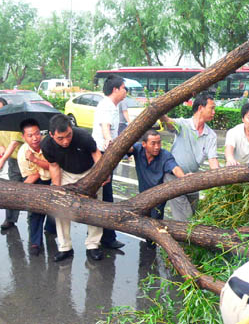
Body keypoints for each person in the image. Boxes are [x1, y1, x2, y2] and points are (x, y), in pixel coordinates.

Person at [41, 114, 105, 261]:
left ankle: (93, 244)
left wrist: (101, 174)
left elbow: (96, 153)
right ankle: (65, 247)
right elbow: (54, 166)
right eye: (60, 138)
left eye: (69, 135)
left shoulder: (82, 136)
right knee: (61, 209)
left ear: (71, 129)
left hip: (89, 172)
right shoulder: (46, 145)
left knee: (95, 209)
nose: (66, 141)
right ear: (51, 135)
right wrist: (56, 188)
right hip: (66, 174)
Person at [160, 91, 219, 221]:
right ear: (200, 108)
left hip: (193, 179)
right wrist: (159, 112)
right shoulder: (183, 125)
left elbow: (213, 160)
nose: (214, 112)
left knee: (195, 216)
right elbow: (169, 123)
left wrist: (220, 179)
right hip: (174, 177)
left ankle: (183, 239)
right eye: (212, 108)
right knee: (185, 218)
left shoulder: (211, 135)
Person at [91, 75, 127, 249]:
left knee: (106, 195)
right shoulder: (107, 105)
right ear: (116, 89)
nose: (125, 91)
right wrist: (108, 140)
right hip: (103, 153)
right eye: (124, 88)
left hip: (105, 152)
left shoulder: (113, 105)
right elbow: (105, 127)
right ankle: (104, 238)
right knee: (104, 196)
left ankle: (106, 236)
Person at [128, 130, 185, 221]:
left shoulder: (165, 155)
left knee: (155, 221)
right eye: (153, 144)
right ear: (144, 144)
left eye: (159, 143)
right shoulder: (138, 149)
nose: (157, 147)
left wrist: (184, 178)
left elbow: (175, 168)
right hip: (142, 195)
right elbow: (127, 148)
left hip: (158, 198)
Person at [17, 119, 51, 256]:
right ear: (23, 137)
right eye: (30, 135)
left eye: (37, 133)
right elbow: (31, 176)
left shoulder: (49, 145)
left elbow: (54, 166)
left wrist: (35, 160)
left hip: (54, 180)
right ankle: (35, 242)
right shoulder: (22, 154)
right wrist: (18, 191)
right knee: (35, 212)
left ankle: (51, 228)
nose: (35, 138)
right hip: (36, 181)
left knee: (56, 211)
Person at [0, 97, 25, 230]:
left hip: (27, 159)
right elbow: (2, 145)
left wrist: (3, 159)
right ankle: (10, 219)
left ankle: (35, 221)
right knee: (13, 191)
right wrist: (1, 153)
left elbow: (14, 142)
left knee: (33, 191)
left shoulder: (15, 121)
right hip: (13, 161)